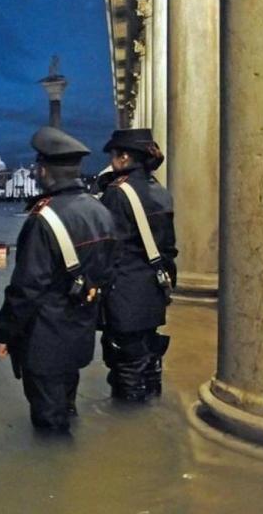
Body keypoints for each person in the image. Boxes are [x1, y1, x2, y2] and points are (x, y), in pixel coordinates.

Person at [0, 126, 117, 433]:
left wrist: (2, 333)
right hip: (80, 329)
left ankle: (55, 471)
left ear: (44, 170)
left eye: (38, 167)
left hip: (45, 338)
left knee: (49, 421)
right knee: (66, 403)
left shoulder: (42, 219)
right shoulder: (100, 210)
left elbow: (26, 289)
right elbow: (109, 270)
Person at [99, 128, 177, 402]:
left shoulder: (117, 193)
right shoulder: (160, 191)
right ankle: (152, 416)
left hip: (125, 293)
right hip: (154, 289)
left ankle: (128, 428)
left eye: (113, 155)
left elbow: (108, 251)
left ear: (123, 157)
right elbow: (169, 247)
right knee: (149, 355)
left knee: (126, 366)